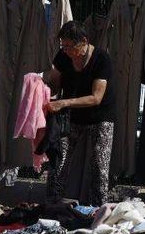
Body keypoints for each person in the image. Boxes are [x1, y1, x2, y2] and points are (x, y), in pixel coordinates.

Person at [46, 21, 115, 205]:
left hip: (99, 117)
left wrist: (64, 102)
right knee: (58, 159)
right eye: (63, 46)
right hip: (71, 117)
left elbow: (96, 98)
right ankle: (53, 202)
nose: (66, 51)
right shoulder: (63, 56)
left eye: (70, 46)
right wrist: (39, 85)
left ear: (84, 41)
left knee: (99, 166)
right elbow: (53, 85)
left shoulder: (101, 59)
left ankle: (99, 207)